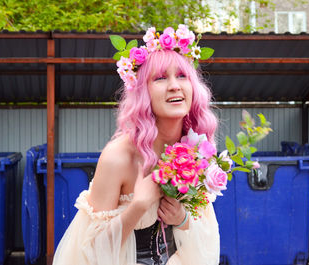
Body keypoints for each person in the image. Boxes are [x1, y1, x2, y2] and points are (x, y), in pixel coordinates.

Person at [52, 25, 220, 265]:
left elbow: (206, 232)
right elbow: (89, 253)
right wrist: (139, 206)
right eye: (161, 78)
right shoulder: (117, 157)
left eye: (182, 75)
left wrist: (182, 219)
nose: (174, 85)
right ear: (143, 92)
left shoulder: (195, 148)